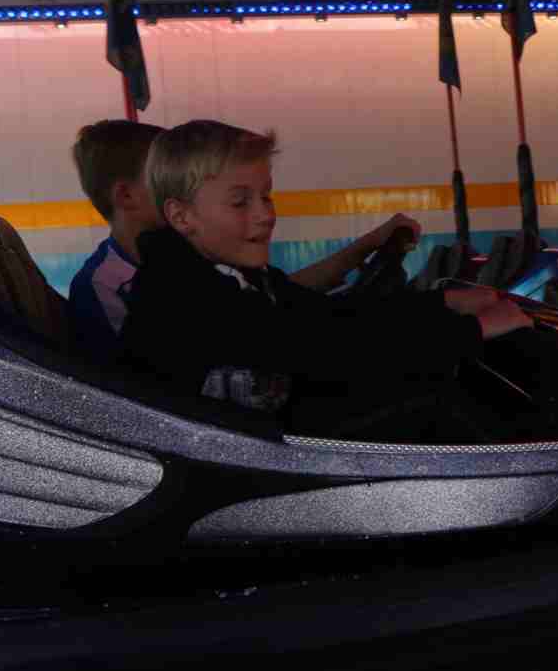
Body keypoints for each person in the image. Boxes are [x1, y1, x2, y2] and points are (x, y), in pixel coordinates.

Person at [121, 120, 532, 442]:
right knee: (440, 407)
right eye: (240, 202)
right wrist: (472, 330)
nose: (265, 215)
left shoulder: (235, 276)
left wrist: (443, 303)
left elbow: (327, 316)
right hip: (237, 472)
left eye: (266, 196)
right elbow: (329, 351)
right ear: (182, 216)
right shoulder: (180, 295)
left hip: (269, 441)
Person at [66, 119, 425, 361]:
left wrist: (367, 247)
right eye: (160, 173)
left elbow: (286, 299)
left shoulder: (215, 266)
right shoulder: (116, 286)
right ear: (127, 196)